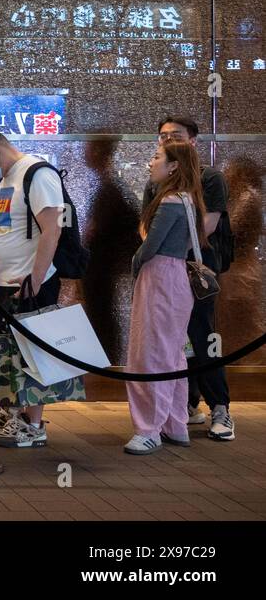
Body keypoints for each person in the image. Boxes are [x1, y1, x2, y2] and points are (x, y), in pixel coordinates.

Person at [0, 127, 79, 449]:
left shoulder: (37, 174)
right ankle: (10, 411)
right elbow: (10, 228)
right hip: (5, 281)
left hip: (30, 283)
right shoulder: (7, 178)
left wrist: (36, 278)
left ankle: (34, 424)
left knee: (33, 353)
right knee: (7, 352)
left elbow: (51, 230)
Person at [142, 116, 234, 442]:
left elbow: (207, 226)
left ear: (192, 140)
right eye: (162, 136)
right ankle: (185, 405)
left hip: (196, 269)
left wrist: (169, 245)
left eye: (175, 136)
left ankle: (220, 408)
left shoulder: (210, 178)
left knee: (202, 335)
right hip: (164, 269)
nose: (167, 141)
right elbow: (146, 225)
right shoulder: (157, 181)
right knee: (172, 342)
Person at [125, 139, 204, 454]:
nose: (150, 162)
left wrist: (135, 263)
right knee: (172, 354)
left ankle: (149, 428)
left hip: (159, 279)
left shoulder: (170, 201)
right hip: (175, 280)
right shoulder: (187, 200)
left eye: (157, 157)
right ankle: (174, 423)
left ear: (174, 166)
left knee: (150, 355)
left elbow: (150, 246)